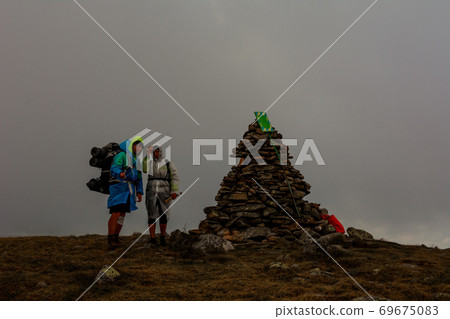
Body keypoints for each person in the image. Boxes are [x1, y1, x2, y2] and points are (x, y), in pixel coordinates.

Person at [106, 137, 144, 250]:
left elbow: (138, 177)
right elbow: (114, 168)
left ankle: (116, 238)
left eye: (140, 147)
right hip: (118, 188)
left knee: (122, 214)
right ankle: (111, 238)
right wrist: (120, 173)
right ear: (131, 146)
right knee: (116, 213)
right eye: (137, 146)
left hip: (128, 191)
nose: (139, 148)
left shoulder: (134, 160)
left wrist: (139, 192)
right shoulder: (121, 155)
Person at [143, 145, 179, 246]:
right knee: (151, 213)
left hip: (165, 190)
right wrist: (148, 155)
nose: (156, 154)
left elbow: (174, 177)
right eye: (154, 152)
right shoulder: (149, 162)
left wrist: (174, 191)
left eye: (157, 151)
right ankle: (152, 238)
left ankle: (162, 236)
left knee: (164, 213)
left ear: (160, 152)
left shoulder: (168, 163)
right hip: (151, 189)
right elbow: (145, 169)